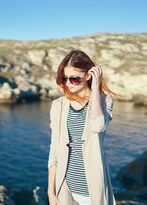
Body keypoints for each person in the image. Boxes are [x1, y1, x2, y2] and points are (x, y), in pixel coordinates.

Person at [47, 50, 118, 205]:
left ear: (88, 76)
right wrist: (51, 192)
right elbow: (54, 149)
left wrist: (96, 87)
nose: (67, 83)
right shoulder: (58, 105)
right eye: (64, 78)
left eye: (74, 79)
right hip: (64, 188)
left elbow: (97, 126)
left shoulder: (104, 101)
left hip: (92, 190)